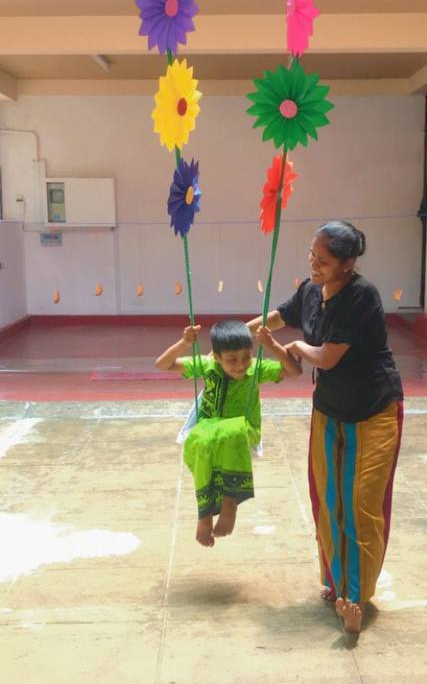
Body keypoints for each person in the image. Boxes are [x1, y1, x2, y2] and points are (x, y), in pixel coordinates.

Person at [249, 221, 404, 636]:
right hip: (330, 410)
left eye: (324, 261)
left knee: (362, 503)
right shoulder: (311, 291)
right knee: (328, 496)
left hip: (373, 408)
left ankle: (355, 595)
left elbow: (327, 357)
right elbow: (283, 315)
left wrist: (296, 347)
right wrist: (245, 331)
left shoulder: (361, 296)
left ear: (348, 264)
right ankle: (336, 580)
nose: (314, 265)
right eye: (312, 257)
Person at [156, 318, 301, 548]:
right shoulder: (207, 365)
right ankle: (204, 515)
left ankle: (229, 502)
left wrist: (272, 344)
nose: (240, 366)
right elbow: (162, 364)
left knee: (230, 432)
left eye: (245, 357)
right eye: (232, 360)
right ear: (216, 356)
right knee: (199, 440)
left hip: (244, 431)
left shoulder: (255, 369)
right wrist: (184, 342)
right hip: (211, 431)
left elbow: (294, 370)